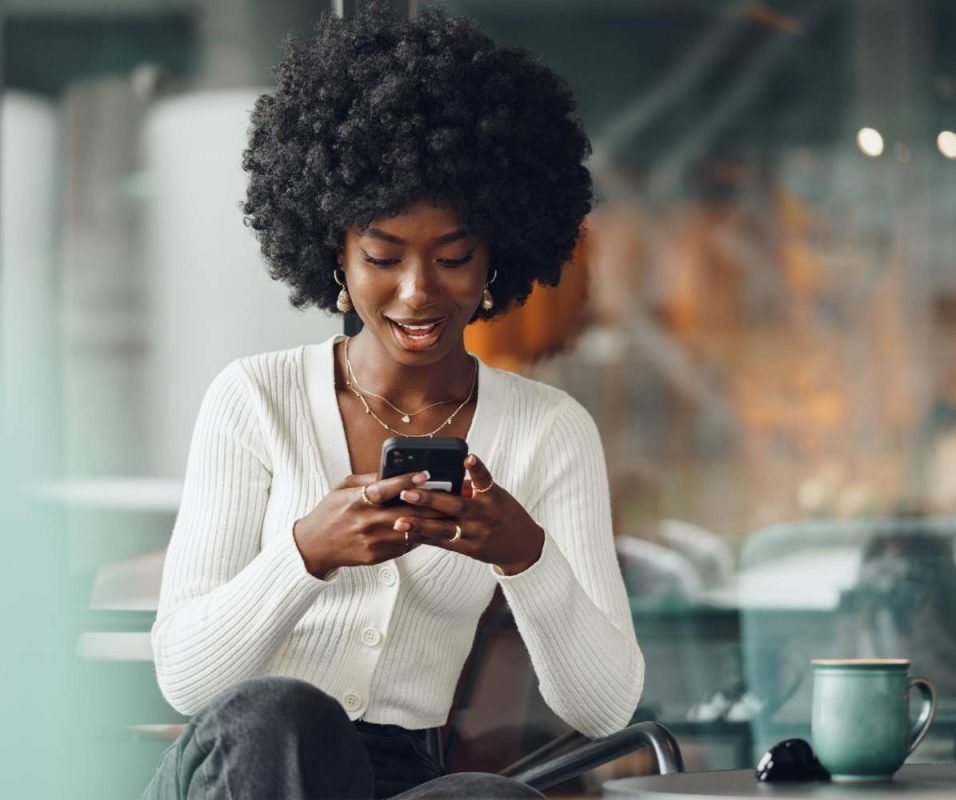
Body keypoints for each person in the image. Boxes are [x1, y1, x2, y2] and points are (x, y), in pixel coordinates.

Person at [144, 3, 643, 798]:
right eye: (382, 256)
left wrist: (525, 554)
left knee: (493, 797)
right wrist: (306, 551)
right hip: (250, 760)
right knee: (283, 718)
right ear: (335, 252)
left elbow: (606, 706)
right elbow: (184, 678)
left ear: (495, 261)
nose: (417, 294)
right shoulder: (255, 400)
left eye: (453, 257)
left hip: (399, 773)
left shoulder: (549, 431)